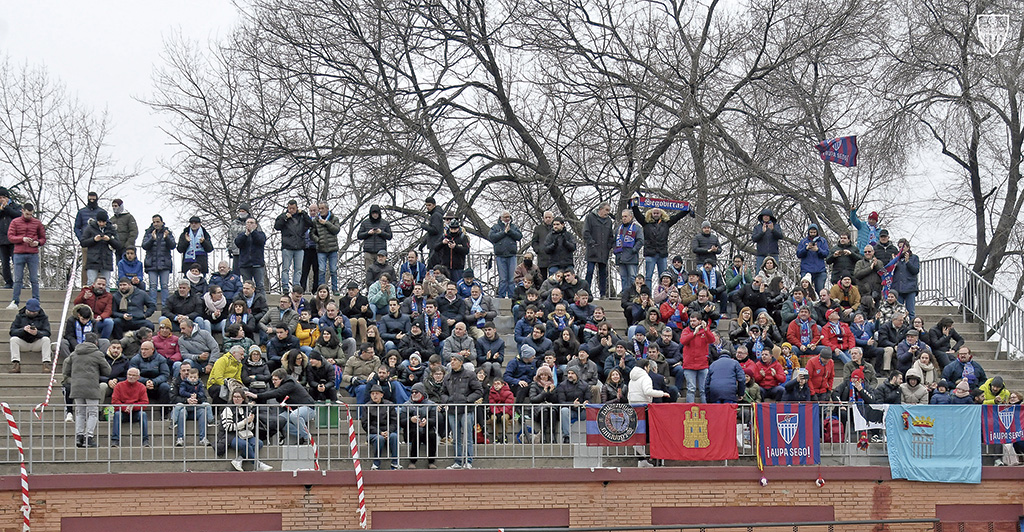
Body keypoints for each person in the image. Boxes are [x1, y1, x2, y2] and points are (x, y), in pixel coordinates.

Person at [62, 332, 110, 448]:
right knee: (92, 412)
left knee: (80, 412)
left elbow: (66, 370)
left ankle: (79, 437)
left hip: (77, 386)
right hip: (91, 387)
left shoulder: (74, 354)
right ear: (96, 342)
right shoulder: (97, 354)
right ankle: (89, 437)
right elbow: (107, 371)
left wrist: (73, 380)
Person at [247, 368, 316, 444]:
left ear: (282, 379)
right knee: (280, 421)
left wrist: (257, 396)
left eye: (276, 380)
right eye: (273, 380)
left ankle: (307, 438)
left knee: (294, 416)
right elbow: (271, 392)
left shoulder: (290, 383)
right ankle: (300, 435)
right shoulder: (279, 385)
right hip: (291, 410)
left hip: (308, 408)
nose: (273, 382)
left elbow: (277, 393)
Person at [442, 355, 483, 469]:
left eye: (454, 360)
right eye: (451, 360)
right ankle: (458, 461)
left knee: (468, 436)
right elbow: (443, 392)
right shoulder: (447, 377)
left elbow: (479, 390)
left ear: (461, 362)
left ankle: (468, 461)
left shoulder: (469, 375)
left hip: (466, 410)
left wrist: (467, 400)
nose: (452, 362)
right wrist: (448, 400)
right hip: (452, 410)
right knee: (456, 437)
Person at [221, 389, 272, 471]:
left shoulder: (246, 409)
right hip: (231, 436)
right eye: (234, 397)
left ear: (243, 399)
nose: (236, 399)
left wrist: (250, 422)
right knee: (245, 445)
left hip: (245, 434)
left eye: (238, 397)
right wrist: (244, 422)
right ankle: (258, 465)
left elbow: (251, 428)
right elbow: (228, 427)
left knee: (258, 443)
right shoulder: (228, 409)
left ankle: (239, 460)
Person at [6, 202, 45, 309]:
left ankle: (36, 301)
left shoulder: (37, 223)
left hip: (33, 254)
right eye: (27, 214)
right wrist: (22, 239)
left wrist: (37, 243)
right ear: (22, 211)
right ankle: (15, 301)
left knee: (34, 279)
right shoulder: (15, 222)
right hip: (19, 253)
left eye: (31, 214)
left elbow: (43, 238)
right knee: (18, 279)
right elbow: (10, 237)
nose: (29, 216)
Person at [274, 199, 312, 293]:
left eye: (293, 208)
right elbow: (277, 226)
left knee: (298, 269)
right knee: (286, 268)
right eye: (290, 208)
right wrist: (285, 218)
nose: (291, 210)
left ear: (297, 208)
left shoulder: (301, 217)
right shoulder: (283, 216)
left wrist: (304, 213)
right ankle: (285, 286)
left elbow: (310, 223)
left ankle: (296, 285)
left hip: (299, 247)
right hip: (287, 246)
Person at [362, 384, 400, 470]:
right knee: (379, 438)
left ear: (381, 395)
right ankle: (376, 464)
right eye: (372, 394)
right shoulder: (367, 406)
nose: (374, 395)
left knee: (394, 436)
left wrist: (388, 431)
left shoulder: (389, 405)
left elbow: (394, 421)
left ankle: (395, 462)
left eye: (376, 393)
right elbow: (365, 424)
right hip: (373, 433)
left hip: (387, 431)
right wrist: (379, 432)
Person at [400, 382, 438, 469]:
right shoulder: (406, 405)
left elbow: (435, 419)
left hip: (426, 430)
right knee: (416, 433)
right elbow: (401, 421)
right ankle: (412, 461)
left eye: (416, 392)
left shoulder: (431, 404)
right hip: (411, 431)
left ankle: (431, 461)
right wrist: (411, 420)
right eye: (412, 392)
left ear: (422, 393)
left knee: (432, 435)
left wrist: (427, 422)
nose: (413, 394)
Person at [110, 367, 150, 447]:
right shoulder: (119, 386)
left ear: (138, 377)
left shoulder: (141, 387)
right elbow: (114, 401)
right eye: (129, 374)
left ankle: (145, 440)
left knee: (143, 414)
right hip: (122, 412)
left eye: (133, 375)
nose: (131, 377)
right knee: (117, 415)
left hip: (136, 412)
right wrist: (125, 408)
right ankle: (115, 440)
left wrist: (133, 407)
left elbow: (145, 402)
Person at [140, 214, 175, 306]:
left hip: (164, 263)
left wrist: (167, 238)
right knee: (153, 286)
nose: (156, 224)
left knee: (164, 286)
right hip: (152, 263)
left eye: (157, 222)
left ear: (162, 222)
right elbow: (144, 246)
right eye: (154, 222)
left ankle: (165, 305)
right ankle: (152, 305)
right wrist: (152, 239)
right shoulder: (148, 233)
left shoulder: (168, 232)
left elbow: (173, 246)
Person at [486, 211, 523, 299]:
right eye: (505, 217)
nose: (507, 219)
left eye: (508, 217)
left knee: (511, 279)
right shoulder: (495, 227)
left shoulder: (513, 227)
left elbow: (519, 236)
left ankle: (512, 297)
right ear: (501, 217)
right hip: (500, 256)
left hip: (512, 255)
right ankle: (501, 297)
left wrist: (510, 231)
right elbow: (492, 237)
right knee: (503, 279)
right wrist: (504, 232)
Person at [170, 365, 210, 446]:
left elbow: (204, 397)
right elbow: (172, 398)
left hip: (196, 408)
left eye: (188, 370)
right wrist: (186, 400)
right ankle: (180, 438)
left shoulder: (199, 382)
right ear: (180, 371)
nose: (186, 372)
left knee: (203, 411)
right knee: (182, 411)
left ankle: (203, 438)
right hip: (183, 407)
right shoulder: (176, 382)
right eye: (184, 370)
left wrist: (196, 400)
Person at [9, 298, 51, 373]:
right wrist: (23, 330)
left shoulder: (44, 317)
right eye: (30, 311)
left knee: (46, 340)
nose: (32, 313)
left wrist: (37, 333)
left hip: (37, 342)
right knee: (13, 340)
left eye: (34, 312)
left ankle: (46, 364)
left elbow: (47, 332)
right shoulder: (19, 316)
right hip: (23, 342)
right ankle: (16, 364)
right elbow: (12, 331)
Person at [582, 202, 614, 299]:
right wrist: (591, 243)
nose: (608, 213)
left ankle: (602, 294)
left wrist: (609, 246)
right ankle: (586, 292)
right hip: (592, 250)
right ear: (600, 209)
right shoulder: (590, 218)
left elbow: (610, 236)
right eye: (606, 210)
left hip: (604, 251)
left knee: (603, 273)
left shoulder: (609, 221)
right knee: (590, 271)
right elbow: (585, 232)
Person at [678, 315, 713, 403]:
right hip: (689, 365)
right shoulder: (686, 330)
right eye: (691, 321)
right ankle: (690, 409)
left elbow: (712, 340)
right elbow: (683, 341)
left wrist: (706, 330)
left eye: (694, 321)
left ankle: (706, 410)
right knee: (691, 389)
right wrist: (694, 333)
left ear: (700, 321)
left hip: (702, 365)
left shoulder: (704, 331)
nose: (692, 323)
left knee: (703, 389)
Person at [311, 201, 341, 293]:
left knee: (333, 270)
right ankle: (322, 289)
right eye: (319, 209)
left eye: (322, 208)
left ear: (327, 209)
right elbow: (312, 233)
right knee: (321, 270)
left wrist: (326, 223)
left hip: (333, 249)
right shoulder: (315, 220)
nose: (320, 210)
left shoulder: (334, 218)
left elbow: (336, 230)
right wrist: (318, 240)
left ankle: (335, 289)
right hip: (321, 249)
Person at [129, 341, 171, 405]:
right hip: (141, 384)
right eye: (142, 349)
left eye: (146, 349)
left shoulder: (161, 359)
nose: (143, 351)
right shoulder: (135, 359)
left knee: (165, 387)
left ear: (152, 350)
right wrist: (146, 381)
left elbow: (165, 374)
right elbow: (132, 375)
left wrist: (153, 382)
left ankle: (164, 412)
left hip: (156, 385)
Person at [613, 209, 644, 292]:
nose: (624, 218)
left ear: (631, 217)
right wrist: (615, 251)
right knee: (623, 277)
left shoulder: (636, 228)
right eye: (622, 217)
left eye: (626, 216)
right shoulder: (618, 229)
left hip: (631, 257)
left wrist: (634, 250)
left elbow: (640, 241)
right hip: (621, 257)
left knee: (632, 277)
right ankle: (624, 293)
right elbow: (614, 241)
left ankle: (633, 293)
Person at [235, 217, 267, 295]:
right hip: (245, 264)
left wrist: (252, 232)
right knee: (246, 286)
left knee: (260, 285)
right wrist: (246, 234)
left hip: (257, 264)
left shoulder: (260, 234)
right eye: (248, 223)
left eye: (251, 223)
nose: (249, 224)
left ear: (256, 225)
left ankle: (262, 304)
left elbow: (260, 241)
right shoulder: (242, 235)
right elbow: (238, 243)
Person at [796, 224, 829, 293]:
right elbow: (799, 254)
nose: (813, 234)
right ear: (808, 232)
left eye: (814, 232)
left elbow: (826, 253)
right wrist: (806, 248)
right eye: (811, 232)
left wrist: (818, 250)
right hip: (806, 269)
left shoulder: (822, 241)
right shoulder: (803, 241)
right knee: (805, 291)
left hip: (820, 270)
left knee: (820, 290)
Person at [892, 238, 919, 320]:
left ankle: (912, 328)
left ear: (908, 247)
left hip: (910, 288)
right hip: (898, 288)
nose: (901, 249)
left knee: (911, 311)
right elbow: (890, 272)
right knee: (899, 312)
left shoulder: (914, 258)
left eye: (903, 247)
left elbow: (915, 271)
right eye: (899, 247)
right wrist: (893, 263)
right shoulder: (896, 258)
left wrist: (908, 262)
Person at [0, 188, 21, 289]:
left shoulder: (16, 206)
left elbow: (19, 216)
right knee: (5, 263)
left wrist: (7, 208)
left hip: (14, 239)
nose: (1, 200)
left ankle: (18, 282)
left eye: (3, 197)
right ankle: (8, 282)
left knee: (16, 261)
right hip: (2, 240)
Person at [421, 196, 445, 267]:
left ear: (434, 205)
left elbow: (435, 230)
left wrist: (425, 226)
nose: (427, 207)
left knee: (432, 267)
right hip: (436, 245)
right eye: (426, 205)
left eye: (429, 205)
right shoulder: (436, 214)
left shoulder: (436, 215)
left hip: (436, 246)